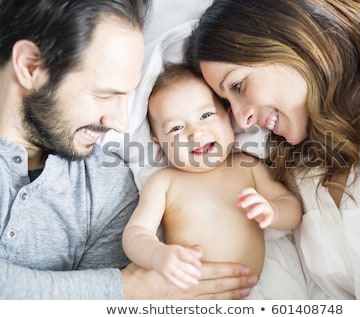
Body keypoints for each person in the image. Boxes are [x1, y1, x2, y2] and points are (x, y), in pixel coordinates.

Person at [186, 0, 360, 299]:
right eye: (226, 103)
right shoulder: (305, 175)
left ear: (294, 39)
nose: (239, 118)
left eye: (238, 85)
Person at [0, 0, 257, 300]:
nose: (120, 123)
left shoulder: (107, 187)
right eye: (105, 95)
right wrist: (126, 288)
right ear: (30, 66)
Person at [122, 63, 303, 299]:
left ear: (228, 117)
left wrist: (273, 211)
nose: (195, 133)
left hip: (254, 293)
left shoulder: (247, 167)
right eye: (176, 128)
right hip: (194, 298)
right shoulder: (164, 182)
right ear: (158, 141)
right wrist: (157, 255)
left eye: (206, 115)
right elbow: (135, 234)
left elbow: (292, 208)